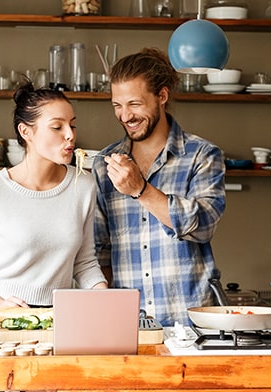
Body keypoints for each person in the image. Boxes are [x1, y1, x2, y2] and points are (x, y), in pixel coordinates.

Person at [0, 82, 108, 313]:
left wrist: (107, 301)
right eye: (57, 127)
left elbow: (85, 263)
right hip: (3, 318)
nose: (70, 135)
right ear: (26, 132)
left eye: (73, 125)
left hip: (59, 318)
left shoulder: (84, 185)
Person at [91, 48, 226, 327]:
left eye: (134, 104)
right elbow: (101, 250)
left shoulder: (202, 155)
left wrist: (141, 190)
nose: (125, 115)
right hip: (129, 324)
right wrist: (105, 314)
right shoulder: (106, 165)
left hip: (191, 322)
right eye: (117, 105)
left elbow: (202, 226)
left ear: (162, 97)